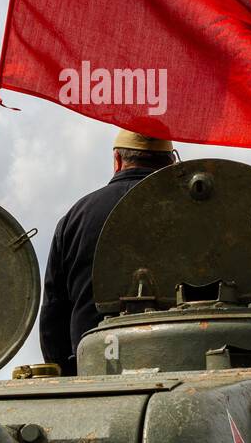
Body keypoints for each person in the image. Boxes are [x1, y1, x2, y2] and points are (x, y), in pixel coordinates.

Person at [39, 129, 175, 374]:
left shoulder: (76, 217)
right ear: (171, 162)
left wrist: (68, 376)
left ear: (117, 160)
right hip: (179, 368)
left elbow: (53, 313)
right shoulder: (190, 212)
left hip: (94, 371)